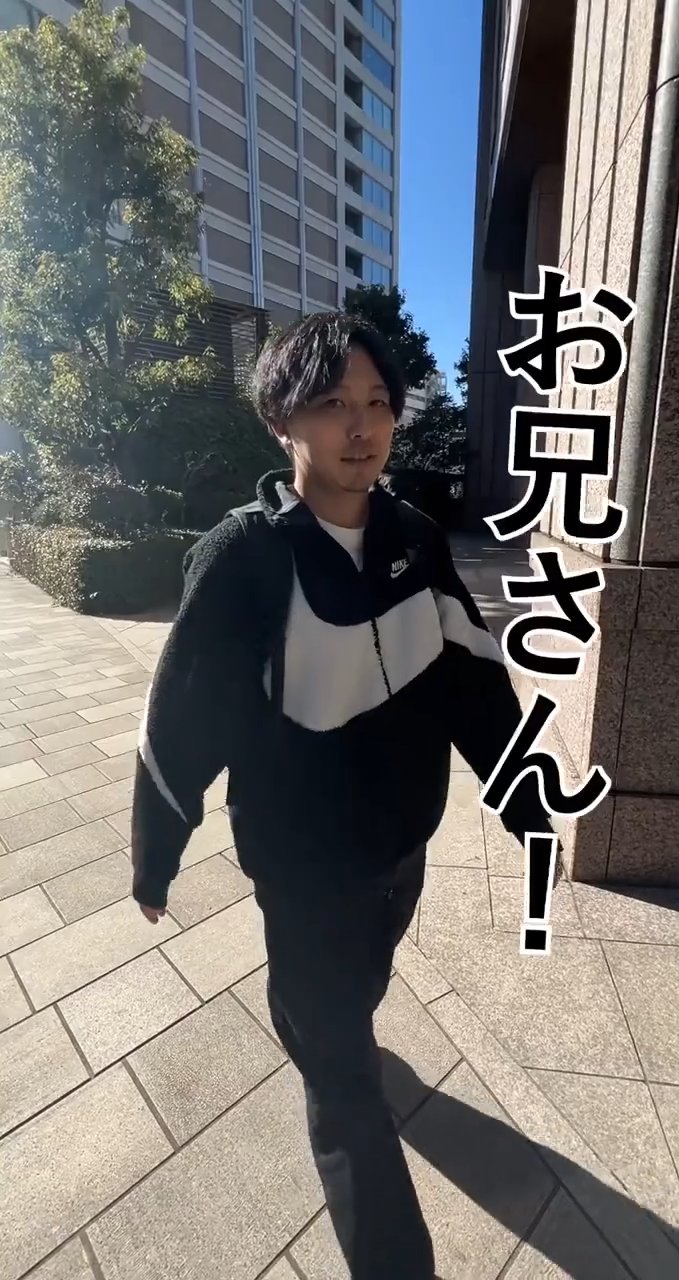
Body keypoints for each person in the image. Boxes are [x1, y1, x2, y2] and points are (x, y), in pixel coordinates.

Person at [131, 312, 555, 1280]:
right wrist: (156, 853)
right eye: (331, 404)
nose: (360, 427)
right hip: (303, 866)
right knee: (343, 1081)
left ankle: (328, 1022)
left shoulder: (415, 538)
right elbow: (183, 713)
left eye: (376, 404)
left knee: (354, 993)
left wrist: (527, 801)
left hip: (402, 849)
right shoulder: (243, 556)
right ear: (282, 419)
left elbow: (473, 682)